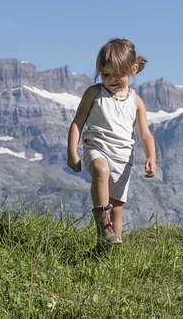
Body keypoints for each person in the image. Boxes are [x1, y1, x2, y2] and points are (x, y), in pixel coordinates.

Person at [67, 38, 156, 245]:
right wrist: (72, 152)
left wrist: (151, 156)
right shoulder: (94, 93)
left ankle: (111, 251)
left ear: (133, 69)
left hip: (123, 159)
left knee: (116, 210)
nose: (111, 80)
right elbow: (77, 122)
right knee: (101, 169)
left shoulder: (136, 102)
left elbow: (144, 134)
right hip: (97, 148)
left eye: (118, 74)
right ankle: (102, 225)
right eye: (105, 74)